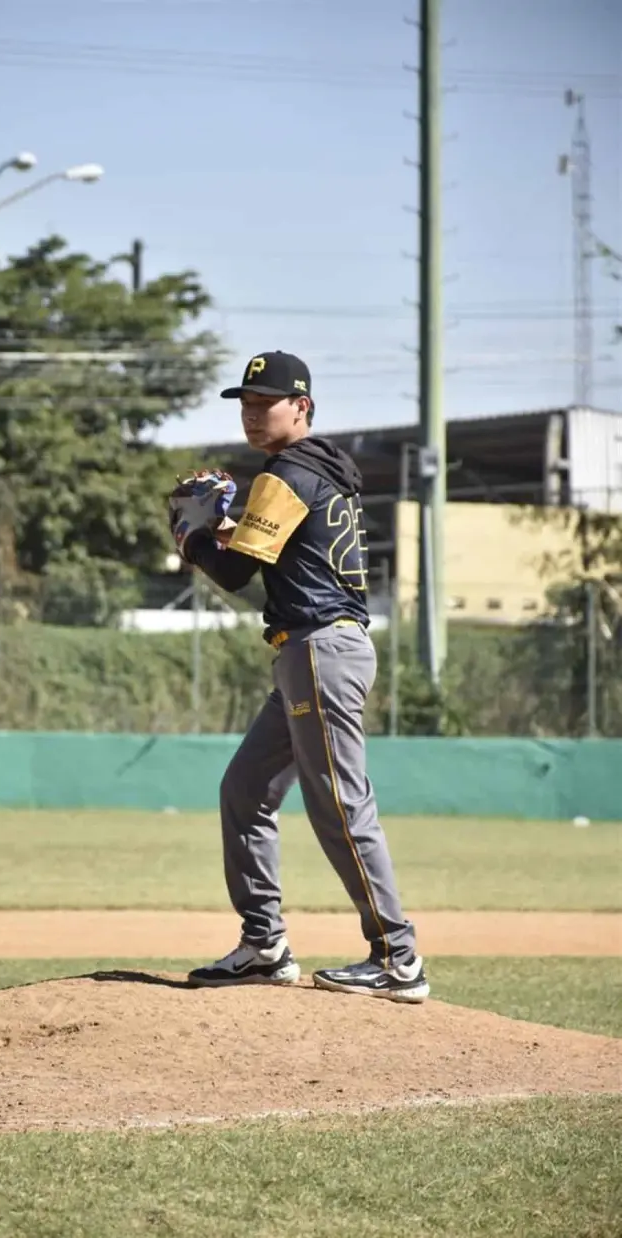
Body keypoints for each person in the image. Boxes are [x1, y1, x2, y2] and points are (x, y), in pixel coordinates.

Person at [177, 351, 429, 1001]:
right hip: (312, 652)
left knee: (339, 804)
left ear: (302, 407)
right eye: (245, 403)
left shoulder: (287, 471)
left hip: (319, 651)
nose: (253, 414)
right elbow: (281, 548)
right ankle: (263, 943)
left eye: (267, 402)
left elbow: (235, 574)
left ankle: (396, 956)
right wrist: (223, 530)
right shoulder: (317, 470)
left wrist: (194, 538)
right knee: (245, 788)